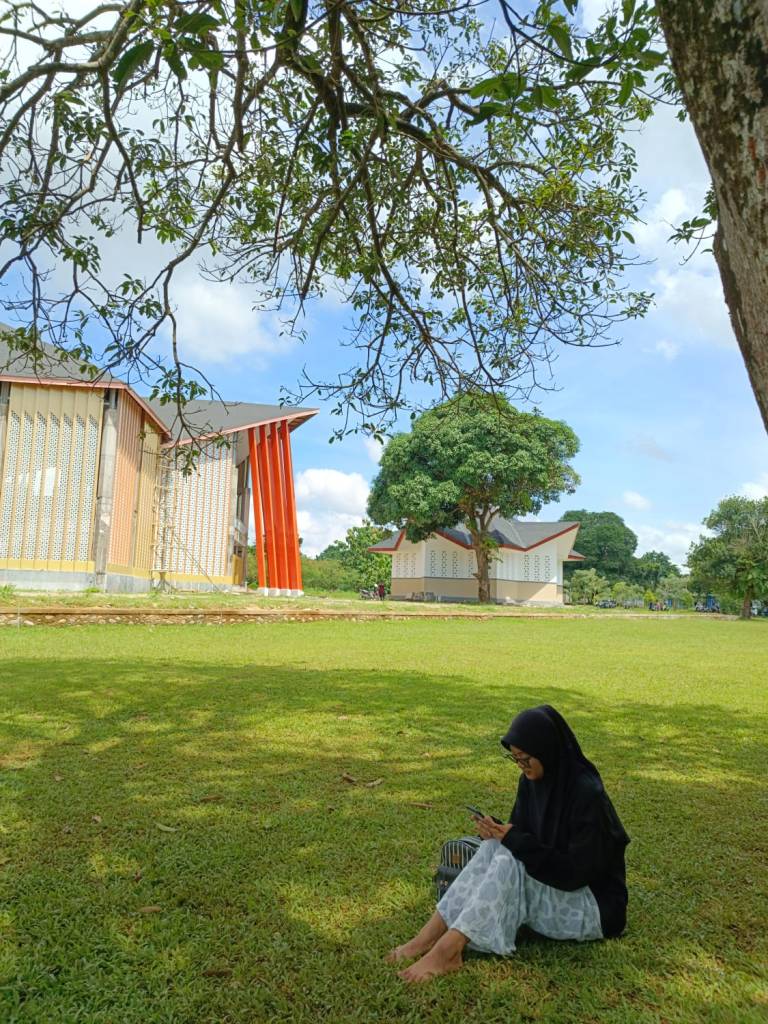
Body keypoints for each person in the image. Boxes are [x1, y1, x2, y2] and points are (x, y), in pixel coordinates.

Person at [386, 704, 630, 983]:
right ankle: (428, 937)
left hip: (593, 908)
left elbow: (575, 873)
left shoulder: (587, 794)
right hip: (553, 887)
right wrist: (498, 832)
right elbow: (523, 838)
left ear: (546, 750)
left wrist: (514, 840)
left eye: (525, 759)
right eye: (515, 759)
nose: (521, 766)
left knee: (509, 855)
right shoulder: (530, 781)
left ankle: (448, 950)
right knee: (494, 848)